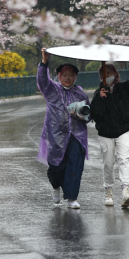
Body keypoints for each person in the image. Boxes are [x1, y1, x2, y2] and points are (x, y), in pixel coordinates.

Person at [89, 53, 129, 208]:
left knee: (123, 159)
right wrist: (100, 98)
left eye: (109, 73)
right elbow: (94, 114)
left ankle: (126, 190)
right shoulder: (98, 93)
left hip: (123, 130)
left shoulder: (124, 88)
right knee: (108, 163)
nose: (107, 77)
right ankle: (108, 191)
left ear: (115, 74)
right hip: (105, 133)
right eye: (103, 75)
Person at [37, 49, 91, 209]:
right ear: (59, 76)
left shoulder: (80, 94)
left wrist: (82, 115)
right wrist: (44, 62)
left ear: (75, 77)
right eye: (64, 75)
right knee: (55, 167)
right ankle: (56, 186)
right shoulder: (52, 90)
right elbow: (42, 81)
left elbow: (88, 114)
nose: (68, 78)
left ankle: (72, 198)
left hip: (77, 135)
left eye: (71, 75)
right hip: (56, 135)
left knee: (75, 166)